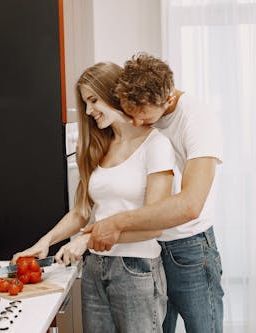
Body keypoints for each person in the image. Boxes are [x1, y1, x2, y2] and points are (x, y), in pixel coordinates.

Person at [12, 62, 176, 332]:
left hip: (136, 269)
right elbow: (81, 211)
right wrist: (45, 242)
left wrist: (86, 240)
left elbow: (154, 223)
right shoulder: (99, 146)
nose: (88, 111)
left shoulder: (156, 145)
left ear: (114, 94)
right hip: (94, 268)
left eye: (93, 100)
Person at [82, 53, 224, 333]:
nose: (134, 122)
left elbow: (190, 205)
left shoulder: (197, 121)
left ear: (168, 99)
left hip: (189, 248)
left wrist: (116, 222)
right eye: (129, 111)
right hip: (151, 250)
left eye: (140, 114)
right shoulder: (144, 106)